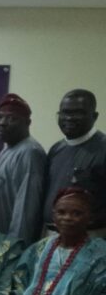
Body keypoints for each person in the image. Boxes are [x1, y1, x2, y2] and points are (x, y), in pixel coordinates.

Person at [43, 89, 106, 237]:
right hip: (52, 236)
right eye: (65, 112)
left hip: (91, 238)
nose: (69, 118)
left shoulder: (103, 148)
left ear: (94, 116)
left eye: (78, 113)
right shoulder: (56, 149)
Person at [0, 94, 45, 245]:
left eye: (11, 118)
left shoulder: (30, 152)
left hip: (10, 245)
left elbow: (26, 208)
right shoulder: (9, 147)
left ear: (27, 123)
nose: (2, 123)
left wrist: (13, 249)